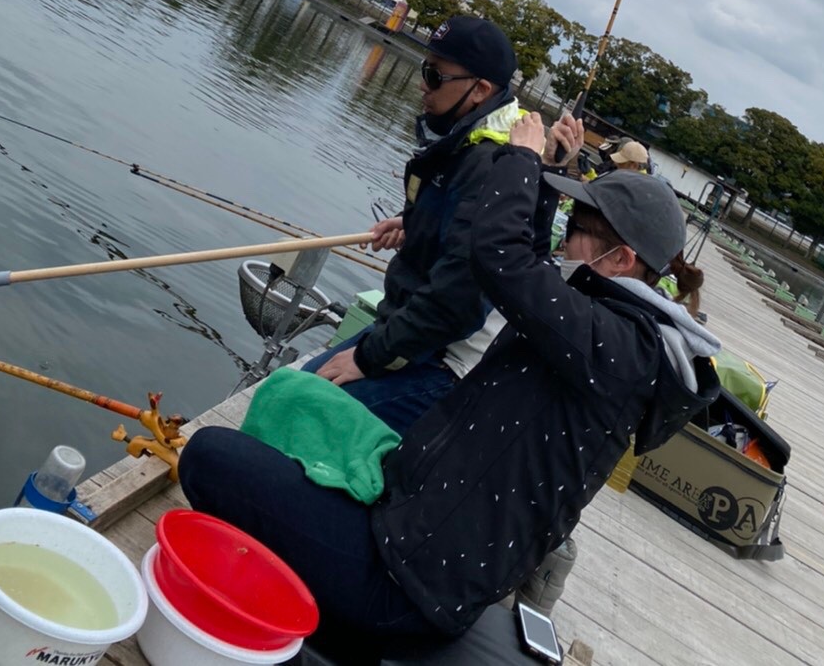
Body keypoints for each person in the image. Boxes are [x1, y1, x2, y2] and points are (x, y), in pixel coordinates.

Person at [180, 112, 720, 644]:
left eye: (575, 233)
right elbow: (531, 260)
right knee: (297, 393)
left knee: (208, 455)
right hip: (412, 513)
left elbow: (500, 258)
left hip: (405, 583)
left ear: (620, 259)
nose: (562, 244)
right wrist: (551, 176)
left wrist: (520, 160)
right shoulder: (609, 323)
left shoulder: (620, 349)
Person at [303, 15, 580, 432]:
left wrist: (368, 358)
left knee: (294, 406)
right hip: (414, 332)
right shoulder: (472, 140)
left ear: (480, 90)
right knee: (299, 391)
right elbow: (457, 221)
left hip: (444, 360)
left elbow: (458, 299)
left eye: (434, 75)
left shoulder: (492, 163)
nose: (423, 84)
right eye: (424, 69)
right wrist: (418, 223)